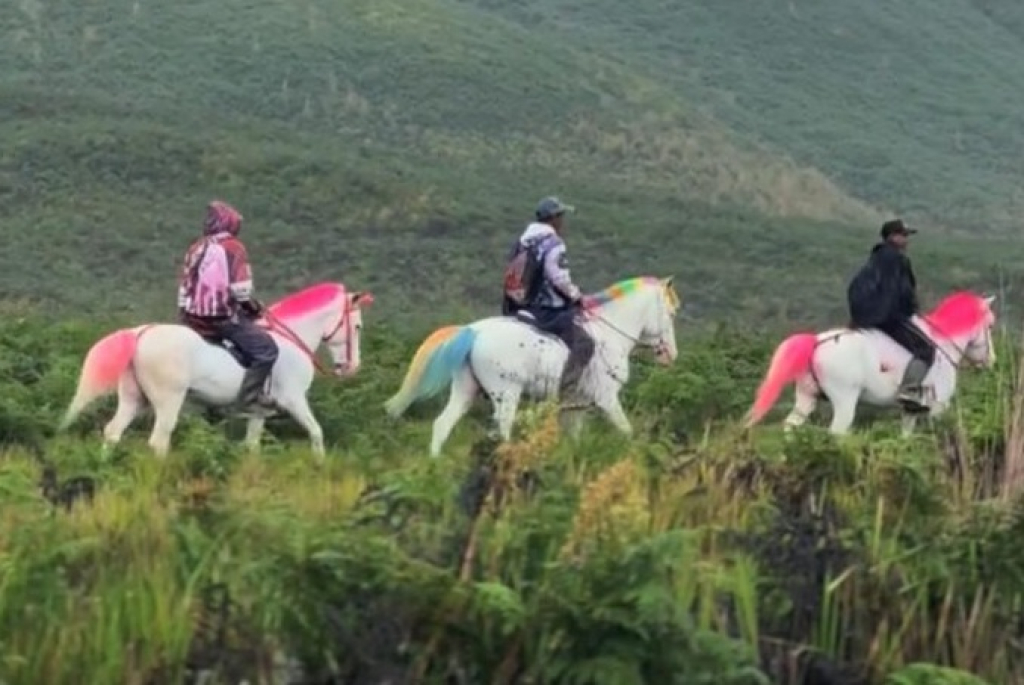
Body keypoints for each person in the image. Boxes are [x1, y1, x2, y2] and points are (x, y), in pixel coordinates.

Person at [177, 200, 279, 410]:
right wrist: (253, 307)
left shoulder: (196, 247)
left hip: (191, 317)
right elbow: (240, 290)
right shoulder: (234, 247)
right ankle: (249, 399)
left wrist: (184, 315)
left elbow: (184, 285)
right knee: (266, 350)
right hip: (219, 318)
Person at [502, 196, 595, 391]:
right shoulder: (554, 243)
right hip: (547, 310)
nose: (562, 221)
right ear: (553, 218)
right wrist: (577, 296)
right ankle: (567, 389)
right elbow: (558, 278)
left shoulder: (522, 241)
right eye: (561, 216)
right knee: (585, 344)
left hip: (517, 306)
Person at [847, 218, 934, 412]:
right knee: (926, 348)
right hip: (886, 315)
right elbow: (903, 291)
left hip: (864, 313)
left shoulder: (877, 257)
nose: (907, 240)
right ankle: (909, 390)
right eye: (904, 235)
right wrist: (912, 310)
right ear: (893, 237)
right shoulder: (898, 259)